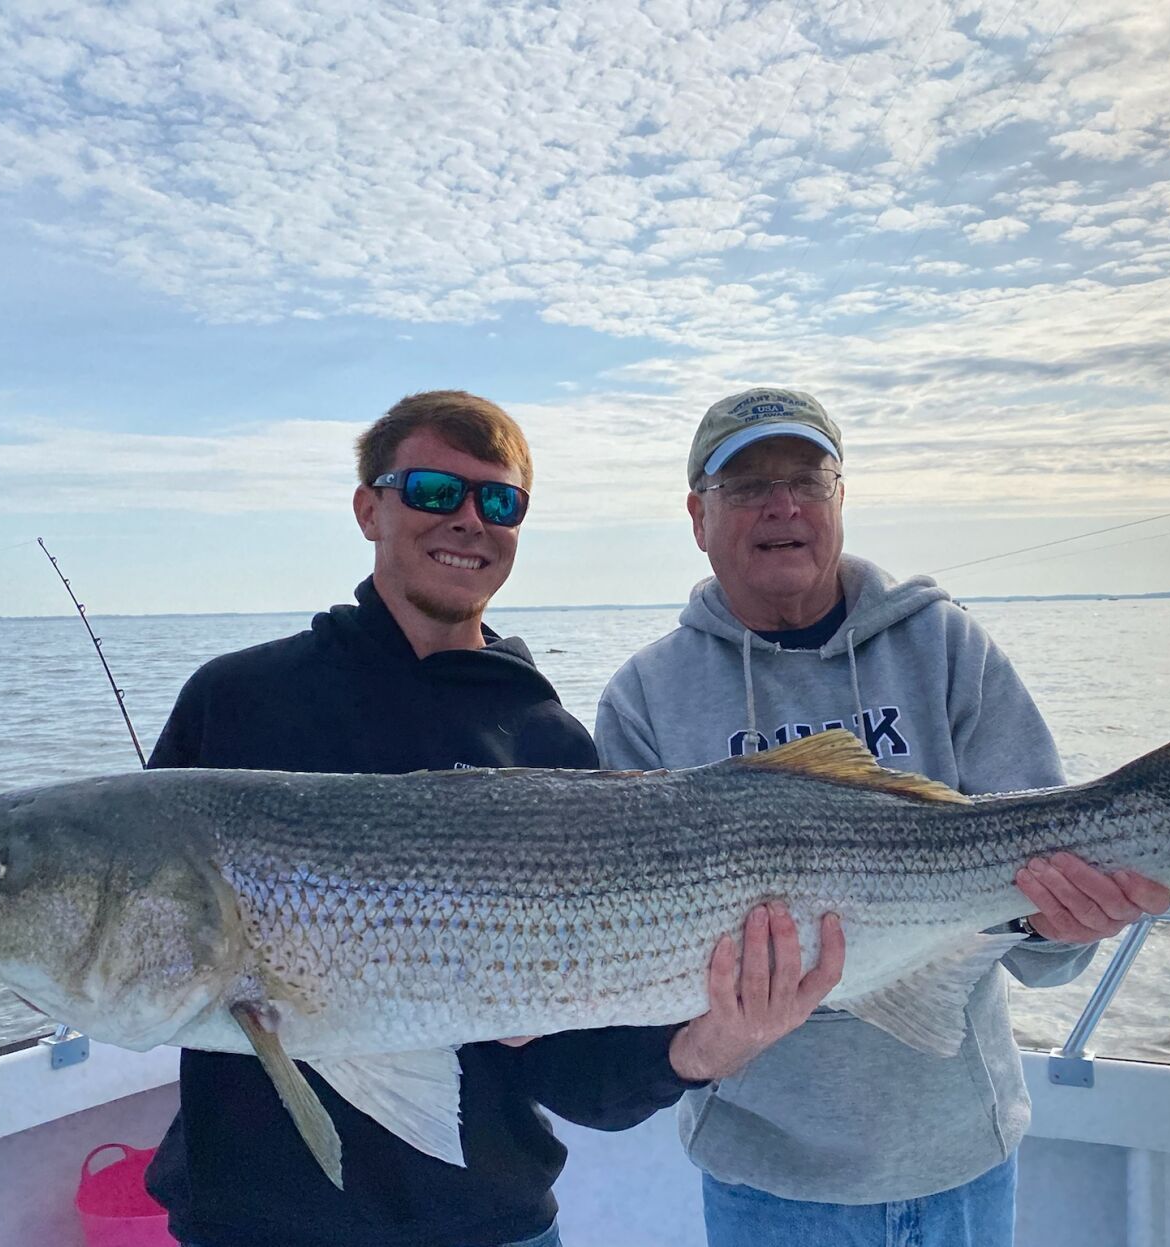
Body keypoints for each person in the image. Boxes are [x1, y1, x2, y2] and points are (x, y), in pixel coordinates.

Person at [144, 390, 843, 1247]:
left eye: (499, 500)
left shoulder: (549, 743)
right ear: (369, 507)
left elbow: (581, 1071)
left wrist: (717, 1042)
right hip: (247, 1225)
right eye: (435, 490)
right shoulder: (233, 704)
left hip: (492, 1227)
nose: (470, 518)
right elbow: (146, 937)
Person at [594, 387, 1170, 1247]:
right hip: (767, 1178)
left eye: (807, 479)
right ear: (697, 515)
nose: (783, 505)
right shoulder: (643, 699)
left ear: (839, 499)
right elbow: (634, 970)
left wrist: (1068, 922)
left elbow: (1050, 955)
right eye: (748, 485)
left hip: (960, 1157)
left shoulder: (943, 646)